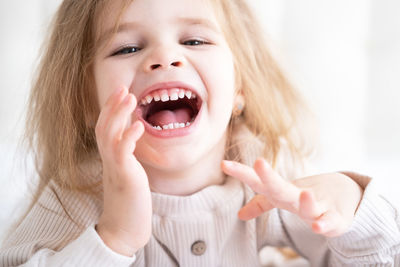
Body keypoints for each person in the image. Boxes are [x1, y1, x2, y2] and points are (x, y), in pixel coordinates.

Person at [1, 0, 399, 266]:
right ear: (89, 103)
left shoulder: (265, 177)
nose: (164, 58)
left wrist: (353, 204)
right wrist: (114, 238)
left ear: (239, 88)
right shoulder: (75, 196)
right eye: (126, 49)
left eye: (194, 40)